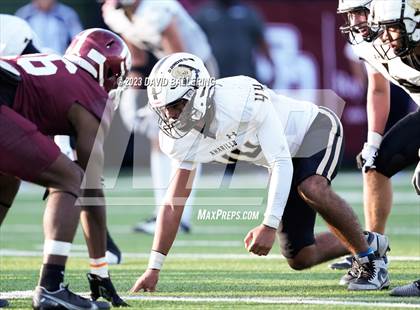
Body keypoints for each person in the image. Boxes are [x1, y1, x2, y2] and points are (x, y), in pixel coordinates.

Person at [129, 52, 391, 293]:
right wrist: (154, 268)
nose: (171, 116)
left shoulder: (240, 98)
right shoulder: (176, 140)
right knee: (301, 257)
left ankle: (370, 263)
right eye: (165, 109)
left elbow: (280, 162)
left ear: (198, 93)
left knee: (311, 187)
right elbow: (174, 205)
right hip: (282, 158)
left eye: (176, 105)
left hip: (313, 129)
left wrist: (268, 224)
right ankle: (368, 241)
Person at [0, 28, 131, 309]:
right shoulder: (90, 94)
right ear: (109, 72)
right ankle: (51, 287)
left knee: (7, 177)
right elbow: (91, 190)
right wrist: (100, 270)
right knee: (71, 179)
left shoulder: (53, 70)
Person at [102, 0, 216, 234]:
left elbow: (181, 57)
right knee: (159, 138)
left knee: (185, 140)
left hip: (195, 67)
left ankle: (180, 216)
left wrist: (166, 94)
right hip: (168, 66)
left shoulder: (157, 10)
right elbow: (138, 59)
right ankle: (162, 212)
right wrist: (129, 89)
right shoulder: (116, 13)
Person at [332, 0, 420, 270]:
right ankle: (372, 251)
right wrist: (373, 140)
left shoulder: (407, 30)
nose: (356, 21)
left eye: (361, 12)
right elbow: (378, 89)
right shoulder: (372, 41)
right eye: (351, 14)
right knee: (374, 164)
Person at [194, 0, 275, 85]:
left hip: (245, 74)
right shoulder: (203, 13)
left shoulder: (248, 12)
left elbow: (261, 41)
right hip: (216, 75)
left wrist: (271, 66)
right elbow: (195, 42)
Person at [15, 0, 83, 55]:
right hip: (29, 62)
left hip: (60, 62)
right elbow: (17, 43)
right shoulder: (23, 14)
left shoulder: (67, 14)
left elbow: (79, 41)